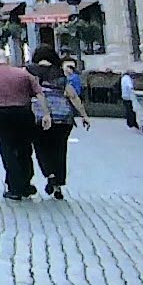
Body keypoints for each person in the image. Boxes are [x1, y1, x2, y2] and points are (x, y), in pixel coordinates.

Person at [0, 45, 46, 199]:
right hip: (22, 111)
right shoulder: (22, 73)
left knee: (6, 147)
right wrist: (46, 113)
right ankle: (25, 182)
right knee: (24, 147)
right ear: (7, 60)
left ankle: (15, 186)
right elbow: (39, 92)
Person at [32, 55, 89, 200]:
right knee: (60, 150)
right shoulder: (61, 78)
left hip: (41, 119)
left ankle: (50, 174)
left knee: (42, 149)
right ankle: (58, 184)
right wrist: (84, 115)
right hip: (63, 118)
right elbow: (73, 96)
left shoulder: (33, 77)